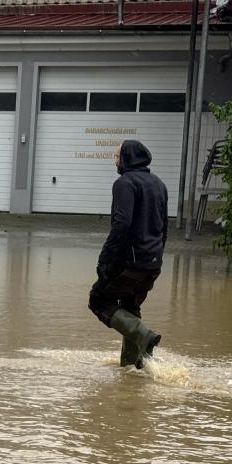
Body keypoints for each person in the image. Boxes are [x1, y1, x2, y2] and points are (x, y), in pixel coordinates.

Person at [88, 140, 168, 368]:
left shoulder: (124, 183)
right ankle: (132, 368)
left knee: (98, 300)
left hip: (130, 263)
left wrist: (105, 260)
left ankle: (144, 336)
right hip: (153, 263)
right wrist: (156, 256)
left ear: (127, 158)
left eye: (117, 155)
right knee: (130, 308)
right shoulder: (159, 184)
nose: (115, 160)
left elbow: (121, 225)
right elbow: (164, 228)